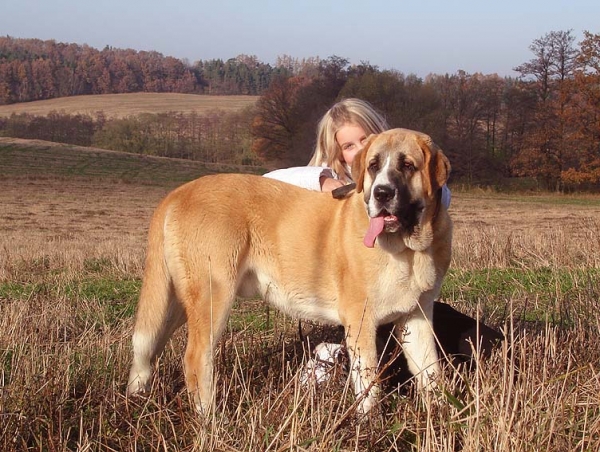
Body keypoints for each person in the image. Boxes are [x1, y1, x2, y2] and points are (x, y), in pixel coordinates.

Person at [264, 98, 502, 385]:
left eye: (365, 139)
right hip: (367, 318)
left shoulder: (413, 172)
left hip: (409, 303)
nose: (360, 149)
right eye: (349, 147)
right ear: (338, 156)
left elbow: (440, 194)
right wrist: (323, 179)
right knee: (387, 366)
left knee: (486, 346)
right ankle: (335, 359)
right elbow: (265, 182)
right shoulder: (334, 192)